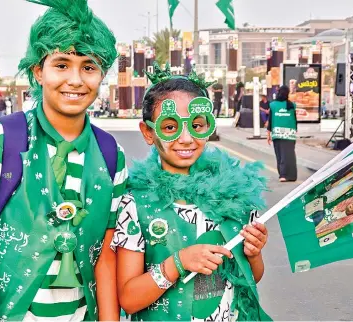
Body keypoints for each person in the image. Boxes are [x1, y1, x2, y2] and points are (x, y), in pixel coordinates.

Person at [0, 0, 127, 321]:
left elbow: (105, 256)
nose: (75, 79)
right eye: (61, 64)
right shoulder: (1, 141)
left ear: (102, 74)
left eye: (89, 67)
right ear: (38, 70)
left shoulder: (111, 155)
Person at [111, 63, 271, 321]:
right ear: (148, 133)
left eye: (197, 125)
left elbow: (251, 278)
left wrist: (253, 254)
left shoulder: (234, 196)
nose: (186, 138)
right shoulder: (136, 204)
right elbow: (128, 299)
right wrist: (178, 263)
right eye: (170, 127)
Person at [267, 85, 297, 182]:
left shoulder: (273, 105)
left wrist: (268, 135)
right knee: (289, 155)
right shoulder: (292, 105)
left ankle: (283, 175)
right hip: (290, 134)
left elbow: (270, 120)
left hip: (277, 134)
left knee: (280, 155)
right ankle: (291, 176)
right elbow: (295, 120)